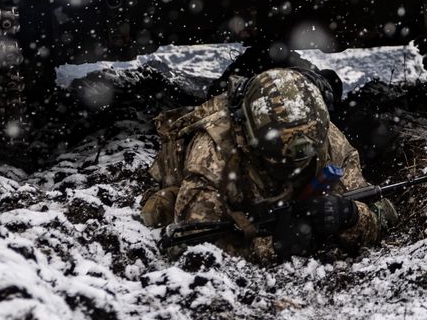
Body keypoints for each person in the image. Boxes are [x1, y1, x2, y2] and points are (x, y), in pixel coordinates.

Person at [139, 66, 397, 262]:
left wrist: (349, 216)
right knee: (158, 209)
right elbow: (189, 244)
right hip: (228, 199)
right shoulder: (215, 150)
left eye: (304, 155)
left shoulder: (328, 139)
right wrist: (271, 247)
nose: (293, 165)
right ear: (249, 138)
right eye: (281, 158)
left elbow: (384, 214)